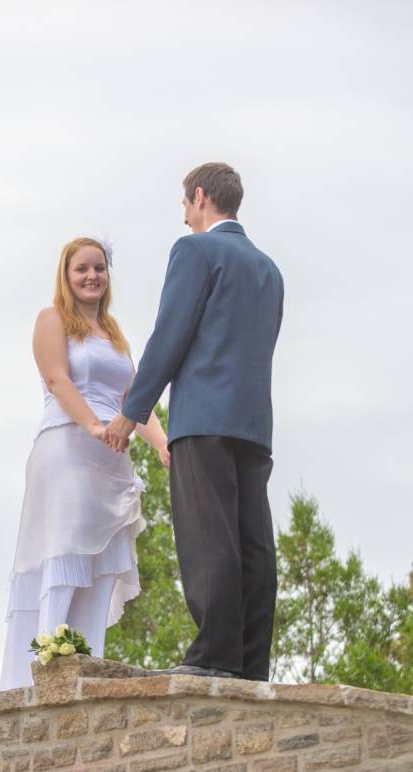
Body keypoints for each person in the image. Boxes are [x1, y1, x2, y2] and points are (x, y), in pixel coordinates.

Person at [104, 163, 284, 681]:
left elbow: (171, 334)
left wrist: (132, 412)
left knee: (210, 538)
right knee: (253, 542)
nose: (184, 217)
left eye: (185, 205)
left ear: (200, 196)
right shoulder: (269, 269)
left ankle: (215, 656)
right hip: (254, 424)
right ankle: (251, 663)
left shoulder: (195, 251)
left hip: (203, 417)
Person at [0, 237, 170, 691]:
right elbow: (57, 379)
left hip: (110, 460)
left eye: (99, 268)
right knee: (66, 546)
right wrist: (94, 425)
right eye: (82, 269)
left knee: (103, 558)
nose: (92, 276)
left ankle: (84, 663)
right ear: (67, 274)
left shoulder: (115, 336)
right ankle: (46, 659)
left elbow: (135, 400)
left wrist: (161, 444)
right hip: (68, 447)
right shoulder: (52, 319)